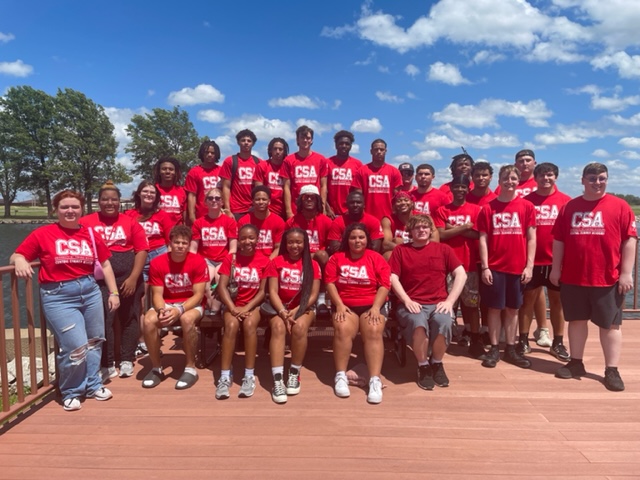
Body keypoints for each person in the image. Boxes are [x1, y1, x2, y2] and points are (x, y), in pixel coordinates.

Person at [11, 190, 120, 411]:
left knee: (95, 340)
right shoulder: (44, 233)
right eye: (64, 207)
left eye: (74, 207)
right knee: (75, 346)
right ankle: (71, 390)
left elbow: (106, 264)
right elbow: (18, 254)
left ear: (82, 210)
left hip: (89, 290)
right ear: (56, 210)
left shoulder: (90, 234)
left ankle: (93, 384)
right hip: (58, 295)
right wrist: (20, 261)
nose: (70, 211)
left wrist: (114, 293)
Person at [550, 162, 637, 391]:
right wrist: (555, 269)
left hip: (607, 277)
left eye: (601, 178)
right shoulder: (570, 207)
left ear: (606, 179)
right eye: (592, 178)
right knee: (576, 321)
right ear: (582, 180)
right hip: (573, 276)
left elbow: (630, 240)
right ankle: (576, 362)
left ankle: (612, 369)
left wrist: (626, 273)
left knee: (610, 326)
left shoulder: (620, 206)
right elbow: (559, 240)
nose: (597, 182)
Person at [80, 181, 148, 380]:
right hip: (99, 280)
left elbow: (141, 250)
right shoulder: (87, 221)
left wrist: (134, 278)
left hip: (128, 278)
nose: (110, 203)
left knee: (130, 317)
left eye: (114, 199)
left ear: (120, 202)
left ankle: (127, 358)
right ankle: (107, 362)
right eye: (105, 199)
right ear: (99, 201)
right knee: (104, 320)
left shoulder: (130, 222)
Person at [390, 214, 466, 390]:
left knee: (444, 322)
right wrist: (406, 300)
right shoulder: (401, 251)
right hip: (411, 303)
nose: (422, 230)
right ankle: (423, 365)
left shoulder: (443, 250)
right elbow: (392, 277)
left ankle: (437, 362)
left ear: (431, 230)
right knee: (418, 323)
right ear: (410, 231)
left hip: (439, 302)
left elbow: (461, 274)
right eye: (417, 227)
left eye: (425, 227)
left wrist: (450, 301)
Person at [325, 223, 391, 404]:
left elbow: (384, 285)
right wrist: (338, 305)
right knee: (342, 328)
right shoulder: (337, 258)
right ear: (347, 239)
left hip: (372, 304)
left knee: (373, 330)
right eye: (353, 237)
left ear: (367, 240)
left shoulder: (376, 258)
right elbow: (330, 283)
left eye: (361, 237)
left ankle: (374, 379)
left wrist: (376, 307)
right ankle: (340, 376)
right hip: (346, 305)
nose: (357, 241)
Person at [477, 165, 536, 369]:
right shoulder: (488, 208)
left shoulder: (527, 207)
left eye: (513, 178)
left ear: (518, 181)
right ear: (499, 181)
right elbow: (483, 239)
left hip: (517, 267)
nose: (509, 182)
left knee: (513, 309)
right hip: (494, 266)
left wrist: (529, 266)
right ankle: (494, 347)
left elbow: (531, 238)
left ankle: (510, 347)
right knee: (494, 308)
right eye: (505, 178)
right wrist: (485, 267)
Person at [141, 225, 209, 390]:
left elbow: (199, 295)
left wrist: (179, 309)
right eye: (177, 242)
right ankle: (157, 367)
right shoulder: (158, 262)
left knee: (186, 319)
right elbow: (157, 294)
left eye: (184, 243)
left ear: (189, 244)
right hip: (167, 302)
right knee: (148, 321)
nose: (180, 246)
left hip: (191, 304)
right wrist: (161, 310)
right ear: (169, 243)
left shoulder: (198, 261)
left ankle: (190, 368)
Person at [517, 163, 571, 360]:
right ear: (535, 177)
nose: (546, 179)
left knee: (557, 302)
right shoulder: (526, 202)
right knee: (527, 302)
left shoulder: (566, 202)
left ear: (555, 177)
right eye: (542, 175)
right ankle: (522, 340)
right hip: (531, 261)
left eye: (549, 175)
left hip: (556, 262)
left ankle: (558, 342)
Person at [265, 228, 321, 403]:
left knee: (299, 327)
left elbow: (313, 294)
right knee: (277, 327)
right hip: (279, 307)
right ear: (285, 244)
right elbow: (272, 291)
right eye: (290, 242)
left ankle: (294, 373)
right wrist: (282, 311)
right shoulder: (276, 262)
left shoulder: (313, 265)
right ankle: (277, 379)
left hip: (303, 307)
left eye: (298, 242)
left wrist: (296, 310)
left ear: (305, 243)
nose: (294, 246)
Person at [215, 224, 270, 400]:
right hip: (233, 304)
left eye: (251, 238)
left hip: (253, 305)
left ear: (257, 239)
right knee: (230, 325)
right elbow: (222, 286)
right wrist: (233, 308)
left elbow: (263, 291)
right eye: (244, 238)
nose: (248, 242)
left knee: (249, 325)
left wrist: (246, 308)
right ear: (238, 240)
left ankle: (248, 374)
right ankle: (224, 376)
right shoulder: (231, 259)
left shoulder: (264, 260)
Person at [433, 175, 484, 358]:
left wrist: (452, 228)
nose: (460, 190)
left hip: (469, 264)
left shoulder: (476, 210)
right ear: (451, 189)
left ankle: (476, 340)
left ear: (467, 189)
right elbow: (441, 235)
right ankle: (443, 340)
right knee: (447, 304)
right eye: (457, 187)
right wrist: (464, 228)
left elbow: (477, 234)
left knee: (471, 304)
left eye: (463, 187)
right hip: (446, 265)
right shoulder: (442, 210)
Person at [124, 180, 173, 357]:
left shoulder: (162, 215)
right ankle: (143, 339)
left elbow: (170, 240)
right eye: (145, 191)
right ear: (139, 194)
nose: (149, 195)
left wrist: (169, 261)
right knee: (141, 301)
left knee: (163, 298)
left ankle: (161, 331)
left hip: (158, 255)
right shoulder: (129, 215)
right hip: (139, 257)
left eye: (152, 192)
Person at [190, 187, 238, 312]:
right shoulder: (199, 222)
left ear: (222, 202)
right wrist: (192, 265)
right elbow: (193, 249)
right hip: (206, 259)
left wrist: (228, 263)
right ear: (206, 202)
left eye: (217, 198)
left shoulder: (230, 222)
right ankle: (212, 308)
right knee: (205, 284)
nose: (214, 200)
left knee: (219, 281)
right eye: (210, 198)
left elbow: (233, 248)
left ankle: (215, 310)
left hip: (223, 259)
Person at [282, 125, 328, 218]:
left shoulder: (321, 159)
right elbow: (286, 187)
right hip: (296, 209)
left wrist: (323, 208)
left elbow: (323, 186)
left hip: (315, 208)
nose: (305, 140)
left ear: (312, 140)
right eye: (302, 138)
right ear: (297, 140)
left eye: (308, 138)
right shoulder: (289, 160)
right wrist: (288, 211)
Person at [351, 138, 402, 221]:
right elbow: (358, 196)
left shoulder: (394, 171)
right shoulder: (361, 171)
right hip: (366, 216)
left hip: (389, 217)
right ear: (371, 151)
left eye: (381, 149)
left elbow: (398, 197)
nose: (379, 152)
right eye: (376, 149)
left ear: (385, 151)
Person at [285, 184, 332, 269]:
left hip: (317, 257)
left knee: (322, 255)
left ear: (317, 200)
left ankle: (324, 281)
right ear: (300, 201)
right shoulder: (291, 222)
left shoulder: (326, 221)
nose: (309, 199)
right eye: (305, 197)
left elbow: (331, 246)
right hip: (297, 255)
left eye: (313, 197)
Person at [220, 130, 261, 219]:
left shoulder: (259, 162)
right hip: (235, 210)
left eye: (249, 141)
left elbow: (259, 187)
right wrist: (227, 209)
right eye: (243, 140)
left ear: (253, 143)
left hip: (252, 209)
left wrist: (257, 207)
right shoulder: (230, 161)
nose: (246, 143)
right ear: (238, 142)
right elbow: (226, 186)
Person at [327, 190, 384, 255]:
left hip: (367, 258)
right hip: (343, 258)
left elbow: (375, 248)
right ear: (347, 205)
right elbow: (334, 248)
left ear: (364, 205)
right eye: (352, 202)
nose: (355, 205)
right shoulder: (337, 222)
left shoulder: (374, 222)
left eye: (358, 202)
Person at [238, 186, 285, 260]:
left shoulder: (279, 221)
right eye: (257, 199)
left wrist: (268, 263)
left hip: (269, 260)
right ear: (252, 202)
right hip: (250, 260)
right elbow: (241, 246)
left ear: (269, 201)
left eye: (264, 199)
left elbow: (278, 247)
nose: (261, 202)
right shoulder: (244, 221)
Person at [185, 141, 223, 225]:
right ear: (202, 153)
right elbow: (192, 196)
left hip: (220, 215)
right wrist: (192, 216)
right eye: (207, 152)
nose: (209, 155)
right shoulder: (194, 172)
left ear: (216, 154)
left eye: (212, 153)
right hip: (201, 216)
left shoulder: (221, 171)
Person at [326, 130, 362, 219]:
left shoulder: (358, 164)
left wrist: (353, 209)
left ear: (350, 146)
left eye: (347, 144)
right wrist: (327, 208)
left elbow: (359, 191)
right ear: (336, 145)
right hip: (331, 213)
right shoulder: (327, 163)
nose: (344, 146)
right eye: (341, 143)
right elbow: (322, 188)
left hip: (350, 212)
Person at [254, 137, 288, 218]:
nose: (277, 152)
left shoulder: (288, 166)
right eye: (275, 149)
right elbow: (259, 190)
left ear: (284, 151)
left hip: (284, 210)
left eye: (280, 149)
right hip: (267, 210)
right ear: (270, 150)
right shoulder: (262, 166)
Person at [154, 157, 187, 227]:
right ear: (159, 172)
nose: (167, 172)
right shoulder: (153, 190)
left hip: (177, 232)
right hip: (158, 232)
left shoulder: (182, 191)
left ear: (175, 172)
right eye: (164, 169)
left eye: (171, 169)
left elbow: (185, 217)